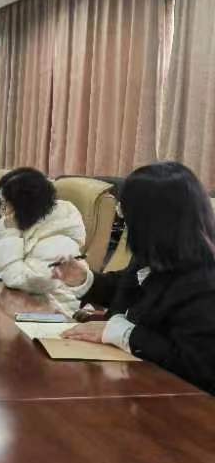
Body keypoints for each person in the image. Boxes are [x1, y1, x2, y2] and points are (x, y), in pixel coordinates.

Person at [54, 162, 215, 394]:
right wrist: (84, 279)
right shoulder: (155, 254)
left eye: (124, 212)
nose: (122, 220)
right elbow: (128, 288)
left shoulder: (204, 283)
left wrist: (123, 333)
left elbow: (196, 367)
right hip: (131, 382)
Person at [0, 168, 88, 308]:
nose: (0, 211)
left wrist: (10, 234)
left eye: (5, 205)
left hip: (48, 314)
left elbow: (17, 279)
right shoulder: (30, 226)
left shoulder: (60, 243)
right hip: (17, 307)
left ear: (23, 207)